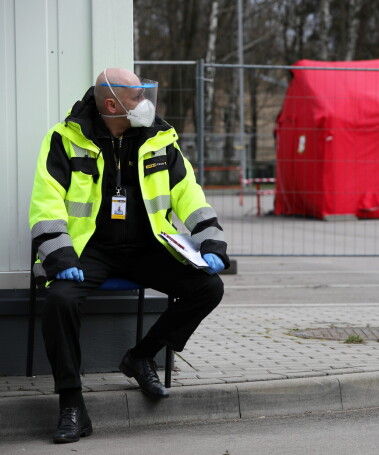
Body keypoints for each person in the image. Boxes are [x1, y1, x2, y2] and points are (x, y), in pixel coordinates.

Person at [29, 68, 230, 444]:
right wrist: (61, 258)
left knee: (209, 288)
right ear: (111, 104)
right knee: (59, 300)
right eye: (137, 96)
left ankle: (142, 356)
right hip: (88, 251)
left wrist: (211, 243)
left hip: (147, 248)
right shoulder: (63, 139)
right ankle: (71, 403)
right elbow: (46, 203)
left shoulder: (160, 138)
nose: (146, 103)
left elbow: (190, 195)